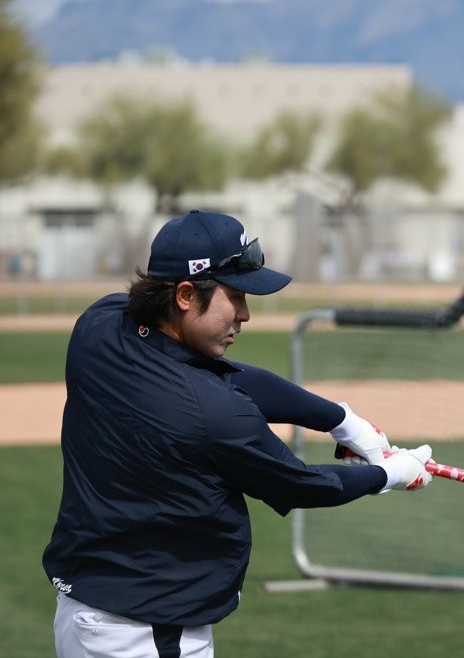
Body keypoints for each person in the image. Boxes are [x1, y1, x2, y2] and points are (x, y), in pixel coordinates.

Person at [43, 209, 434, 658]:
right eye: (235, 296)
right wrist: (390, 474)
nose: (245, 314)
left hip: (89, 608)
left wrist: (342, 420)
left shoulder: (101, 325)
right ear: (187, 294)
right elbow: (302, 483)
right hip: (146, 633)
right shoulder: (212, 416)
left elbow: (230, 377)